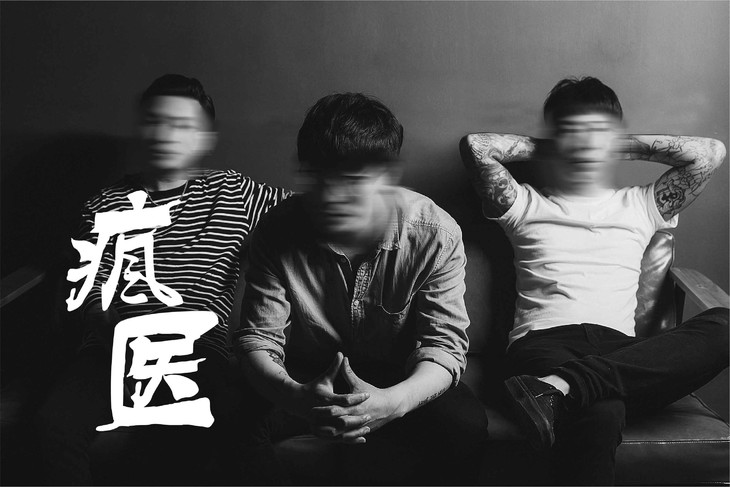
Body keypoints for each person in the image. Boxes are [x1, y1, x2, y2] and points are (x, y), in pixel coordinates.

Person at [460, 76, 728, 485]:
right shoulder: (525, 204)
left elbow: (711, 152)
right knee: (601, 410)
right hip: (544, 344)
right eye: (573, 132)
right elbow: (477, 147)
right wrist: (559, 144)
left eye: (598, 132)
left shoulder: (641, 203)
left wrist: (611, 143)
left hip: (621, 350)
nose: (586, 143)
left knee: (726, 325)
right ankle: (567, 385)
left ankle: (559, 388)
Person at [35, 74, 289, 484]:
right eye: (156, 121)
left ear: (204, 137)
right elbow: (91, 282)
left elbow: (309, 211)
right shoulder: (104, 204)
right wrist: (107, 320)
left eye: (182, 125)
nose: (167, 134)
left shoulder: (234, 192)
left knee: (219, 426)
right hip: (111, 349)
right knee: (54, 426)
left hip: (196, 347)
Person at [234, 92, 488, 485]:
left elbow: (443, 347)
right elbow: (258, 338)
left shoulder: (435, 233)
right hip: (306, 372)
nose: (336, 197)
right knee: (227, 413)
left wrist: (392, 403)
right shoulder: (277, 228)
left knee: (465, 426)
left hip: (399, 374)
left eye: (354, 182)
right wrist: (295, 395)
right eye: (322, 181)